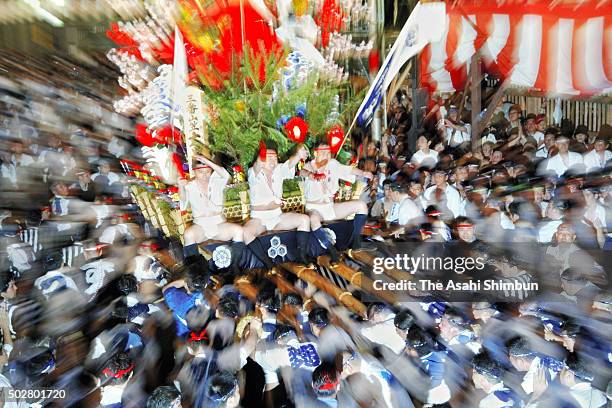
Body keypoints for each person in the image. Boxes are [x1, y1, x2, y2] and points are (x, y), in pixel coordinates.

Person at [243, 141, 312, 268]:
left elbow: (291, 163)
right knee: (246, 232)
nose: (273, 161)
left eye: (275, 158)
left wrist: (299, 154)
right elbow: (258, 164)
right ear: (262, 158)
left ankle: (302, 257)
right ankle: (268, 263)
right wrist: (262, 153)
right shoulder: (254, 173)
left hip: (277, 216)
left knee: (305, 220)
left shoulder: (279, 170)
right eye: (269, 157)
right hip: (259, 219)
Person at [179, 155, 245, 274]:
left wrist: (208, 161)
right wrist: (180, 186)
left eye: (207, 171)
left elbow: (226, 175)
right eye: (200, 172)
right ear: (194, 171)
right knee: (188, 234)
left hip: (219, 224)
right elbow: (183, 204)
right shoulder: (189, 186)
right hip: (201, 226)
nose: (204, 175)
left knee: (239, 231)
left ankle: (235, 267)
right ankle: (196, 271)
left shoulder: (216, 181)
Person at [302, 142, 372, 252]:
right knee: (313, 218)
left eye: (328, 152)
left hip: (331, 207)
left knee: (361, 206)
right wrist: (311, 175)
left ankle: (356, 243)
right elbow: (302, 172)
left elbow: (348, 170)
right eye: (323, 152)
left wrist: (363, 173)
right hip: (315, 209)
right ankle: (331, 250)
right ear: (315, 153)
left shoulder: (333, 164)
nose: (326, 155)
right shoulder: (309, 166)